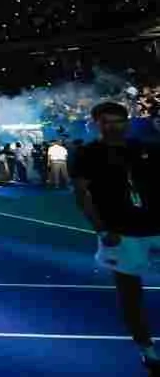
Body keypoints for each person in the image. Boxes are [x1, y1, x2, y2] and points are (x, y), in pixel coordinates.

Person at [72, 102, 160, 375]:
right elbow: (82, 195)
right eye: (105, 121)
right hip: (120, 232)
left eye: (117, 120)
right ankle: (146, 348)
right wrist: (100, 228)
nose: (112, 126)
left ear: (127, 122)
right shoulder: (87, 154)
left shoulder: (145, 148)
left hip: (156, 226)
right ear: (95, 123)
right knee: (130, 294)